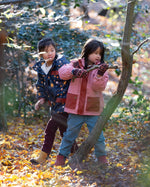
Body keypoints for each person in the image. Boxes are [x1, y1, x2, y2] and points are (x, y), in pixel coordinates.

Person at [55, 38, 109, 166]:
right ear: (87, 52)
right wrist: (74, 71)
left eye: (100, 53)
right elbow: (62, 73)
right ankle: (60, 158)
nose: (98, 56)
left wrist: (100, 74)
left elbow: (99, 87)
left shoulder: (101, 68)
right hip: (75, 109)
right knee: (69, 136)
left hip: (93, 109)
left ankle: (102, 160)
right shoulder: (75, 63)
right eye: (95, 52)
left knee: (98, 137)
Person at [30, 37, 78, 165]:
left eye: (52, 50)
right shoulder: (42, 68)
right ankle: (77, 154)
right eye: (46, 51)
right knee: (64, 131)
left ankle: (43, 156)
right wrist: (41, 99)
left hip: (65, 102)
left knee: (50, 129)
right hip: (55, 105)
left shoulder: (61, 64)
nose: (50, 53)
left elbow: (68, 78)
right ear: (41, 54)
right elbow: (40, 85)